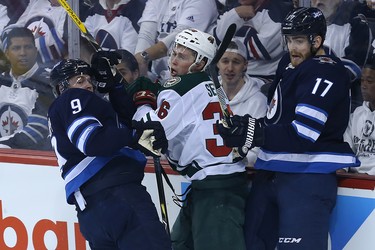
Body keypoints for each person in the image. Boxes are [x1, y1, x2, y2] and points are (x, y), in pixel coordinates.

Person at [217, 8, 360, 249]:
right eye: (289, 40)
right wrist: (247, 126)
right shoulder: (288, 64)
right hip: (270, 173)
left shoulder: (326, 71)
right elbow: (277, 121)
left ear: (317, 40)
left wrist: (253, 133)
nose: (292, 47)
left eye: (299, 40)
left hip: (307, 178)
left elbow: (303, 133)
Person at [132, 28, 248, 250]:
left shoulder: (180, 88)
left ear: (201, 63)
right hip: (215, 183)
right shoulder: (215, 86)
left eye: (182, 57)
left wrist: (143, 103)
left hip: (216, 189)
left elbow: (149, 138)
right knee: (180, 243)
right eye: (173, 54)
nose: (173, 61)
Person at [47, 54, 172, 249]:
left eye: (90, 80)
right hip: (118, 196)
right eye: (80, 80)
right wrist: (135, 137)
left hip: (91, 211)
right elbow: (92, 141)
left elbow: (125, 123)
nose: (88, 85)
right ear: (61, 87)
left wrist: (115, 87)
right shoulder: (73, 97)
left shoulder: (69, 111)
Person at [214, 0, 293, 87]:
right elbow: (217, 38)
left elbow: (261, 49)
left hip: (263, 78)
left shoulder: (279, 9)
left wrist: (227, 44)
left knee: (235, 93)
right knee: (208, 93)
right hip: (227, 75)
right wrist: (236, 14)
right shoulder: (233, 6)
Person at [134, 0, 218, 81]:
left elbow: (180, 39)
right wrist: (138, 62)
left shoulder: (203, 2)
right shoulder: (157, 1)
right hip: (159, 75)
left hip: (190, 77)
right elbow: (146, 35)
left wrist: (144, 57)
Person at [311, 0, 372, 111]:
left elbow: (353, 67)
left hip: (340, 104)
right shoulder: (308, 23)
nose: (318, 2)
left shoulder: (357, 25)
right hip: (309, 96)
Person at [0, 26, 54, 150]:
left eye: (28, 47)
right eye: (16, 48)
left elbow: (35, 132)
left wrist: (4, 145)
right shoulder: (2, 81)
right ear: (7, 53)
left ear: (35, 51)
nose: (23, 53)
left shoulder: (47, 83)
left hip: (33, 161)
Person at [217, 38, 267, 166]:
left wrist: (228, 162)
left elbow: (256, 150)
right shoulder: (208, 93)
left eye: (236, 62)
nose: (230, 68)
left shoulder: (258, 100)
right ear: (217, 63)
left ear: (245, 65)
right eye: (225, 61)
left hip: (241, 171)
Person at [344, 59, 375, 176]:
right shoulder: (357, 114)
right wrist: (344, 168)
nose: (364, 86)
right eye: (362, 81)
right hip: (354, 176)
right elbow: (347, 145)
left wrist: (368, 175)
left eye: (369, 81)